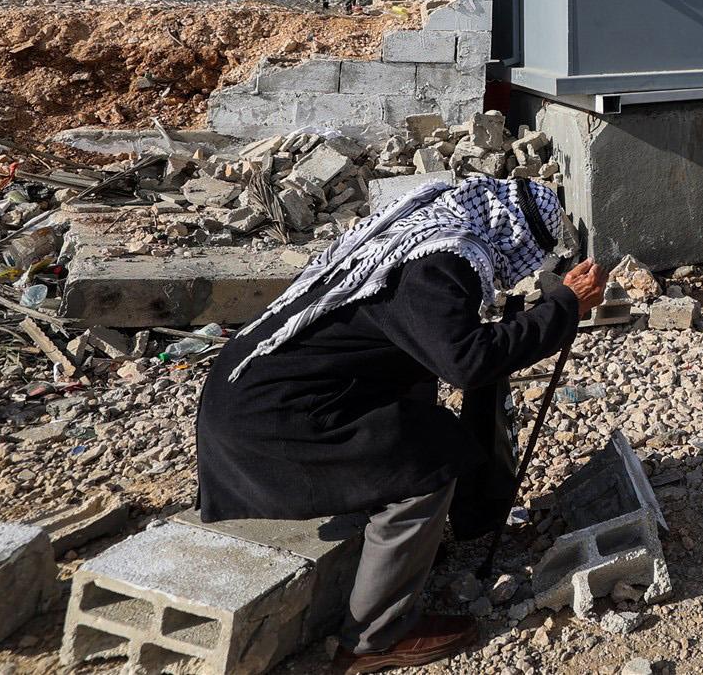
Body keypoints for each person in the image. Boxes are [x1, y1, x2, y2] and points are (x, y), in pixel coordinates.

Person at [196, 177, 607, 672]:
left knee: (420, 425)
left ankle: (405, 551)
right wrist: (562, 307)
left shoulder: (411, 237)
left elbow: (419, 354)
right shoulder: (441, 261)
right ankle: (376, 636)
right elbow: (468, 363)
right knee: (428, 463)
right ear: (510, 233)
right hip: (269, 429)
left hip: (250, 405)